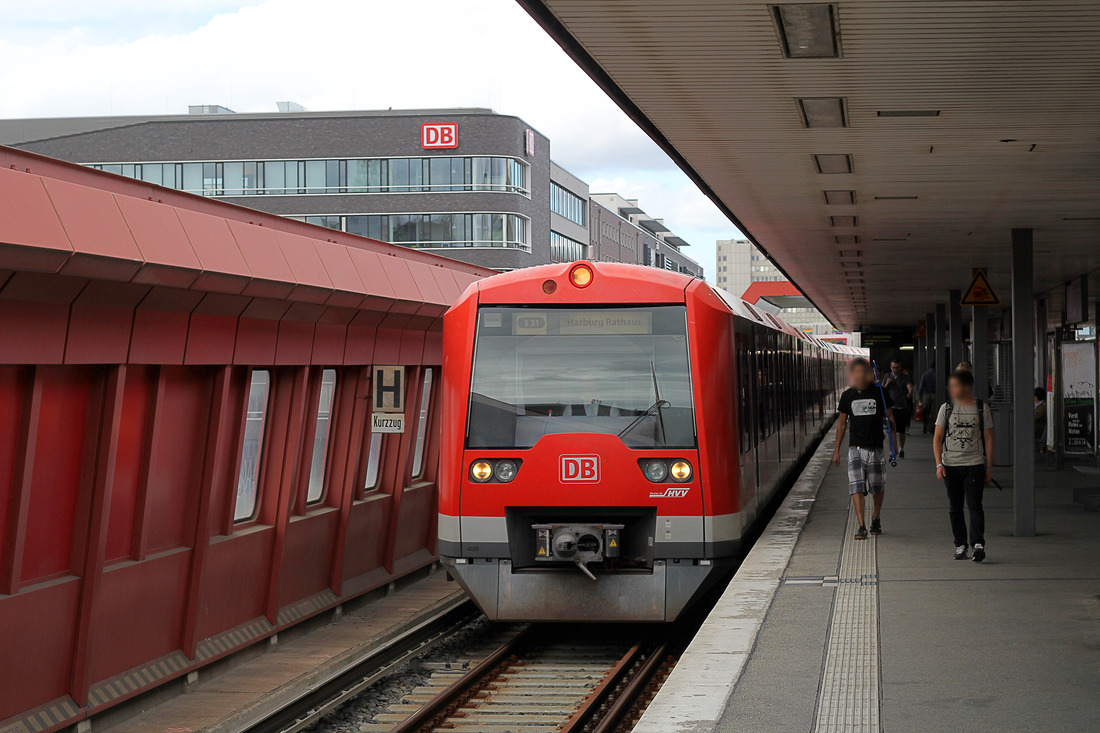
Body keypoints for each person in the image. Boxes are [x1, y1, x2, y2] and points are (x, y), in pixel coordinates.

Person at [932, 369, 994, 562]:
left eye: (955, 385)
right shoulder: (946, 408)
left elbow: (989, 438)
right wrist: (938, 464)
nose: (951, 389)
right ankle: (960, 545)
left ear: (967, 386)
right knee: (955, 506)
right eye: (951, 385)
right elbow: (937, 438)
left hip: (974, 463)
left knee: (975, 505)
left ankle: (977, 544)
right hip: (950, 465)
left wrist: (989, 466)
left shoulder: (982, 408)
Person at [833, 358, 897, 540]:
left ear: (870, 373)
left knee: (877, 487)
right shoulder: (847, 396)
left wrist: (895, 447)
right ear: (852, 374)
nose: (861, 375)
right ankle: (861, 525)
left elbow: (891, 419)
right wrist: (837, 450)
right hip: (855, 448)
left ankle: (875, 517)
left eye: (864, 372)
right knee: (856, 487)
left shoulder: (881, 393)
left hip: (876, 447)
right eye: (857, 372)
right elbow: (842, 424)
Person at [882, 360, 914, 457]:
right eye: (893, 367)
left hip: (902, 407)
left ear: (900, 368)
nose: (895, 369)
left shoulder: (905, 377)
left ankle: (901, 448)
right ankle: (892, 449)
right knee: (890, 429)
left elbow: (910, 387)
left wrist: (910, 392)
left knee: (901, 430)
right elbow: (882, 390)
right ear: (891, 368)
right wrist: (887, 383)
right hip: (890, 408)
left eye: (897, 367)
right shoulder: (887, 377)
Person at [917, 361, 936, 434]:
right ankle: (932, 427)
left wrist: (920, 395)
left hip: (927, 394)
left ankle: (925, 427)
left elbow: (922, 385)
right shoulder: (937, 373)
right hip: (935, 394)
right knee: (934, 412)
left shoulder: (925, 374)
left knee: (926, 412)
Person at [1034, 387, 1047, 452]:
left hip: (1037, 431)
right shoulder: (1040, 406)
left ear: (1036, 397)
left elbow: (1034, 417)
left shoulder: (1043, 406)